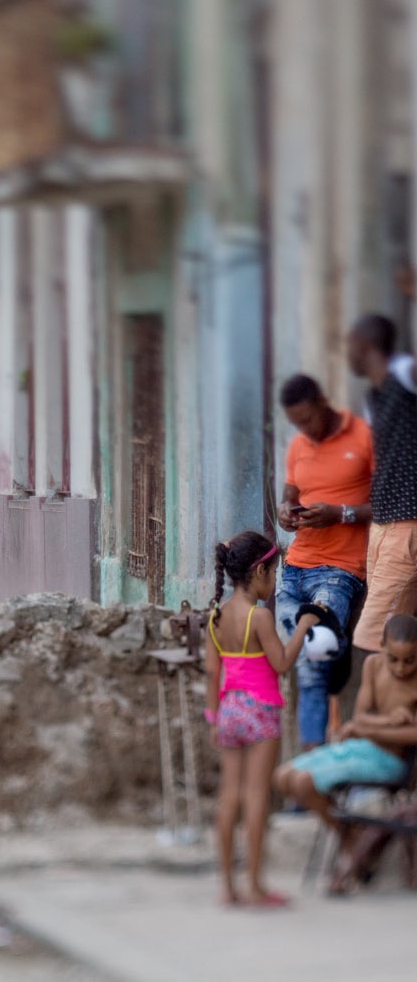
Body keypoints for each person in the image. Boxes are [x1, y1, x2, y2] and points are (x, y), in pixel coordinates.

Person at [203, 531, 321, 908]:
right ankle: (255, 887)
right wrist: (303, 626)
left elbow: (210, 673)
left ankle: (227, 887)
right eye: (274, 572)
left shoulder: (216, 617)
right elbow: (282, 664)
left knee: (229, 798)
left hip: (229, 711)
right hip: (261, 710)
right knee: (256, 798)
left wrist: (211, 718)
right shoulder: (260, 617)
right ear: (259, 571)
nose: (274, 582)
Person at [275, 613, 417, 893]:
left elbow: (403, 733)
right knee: (282, 777)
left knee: (303, 781)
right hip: (361, 749)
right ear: (382, 647)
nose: (400, 668)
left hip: (392, 762)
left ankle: (351, 843)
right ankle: (349, 836)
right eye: (394, 659)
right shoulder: (373, 666)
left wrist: (365, 728)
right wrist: (388, 722)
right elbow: (359, 718)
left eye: (409, 660)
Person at [275, 373, 373, 748]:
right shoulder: (299, 443)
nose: (304, 430)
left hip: (339, 571)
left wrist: (340, 514)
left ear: (321, 401)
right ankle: (308, 775)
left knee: (314, 666)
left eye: (307, 419)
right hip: (295, 567)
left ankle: (311, 776)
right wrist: (286, 509)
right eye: (296, 424)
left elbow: (392, 503)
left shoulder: (363, 436)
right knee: (302, 665)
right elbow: (290, 488)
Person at [347, 315, 417, 663]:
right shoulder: (372, 397)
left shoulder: (404, 372)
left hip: (406, 525)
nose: (346, 352)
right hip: (383, 527)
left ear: (364, 346)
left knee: (373, 640)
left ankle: (370, 715)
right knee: (397, 635)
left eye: (349, 343)